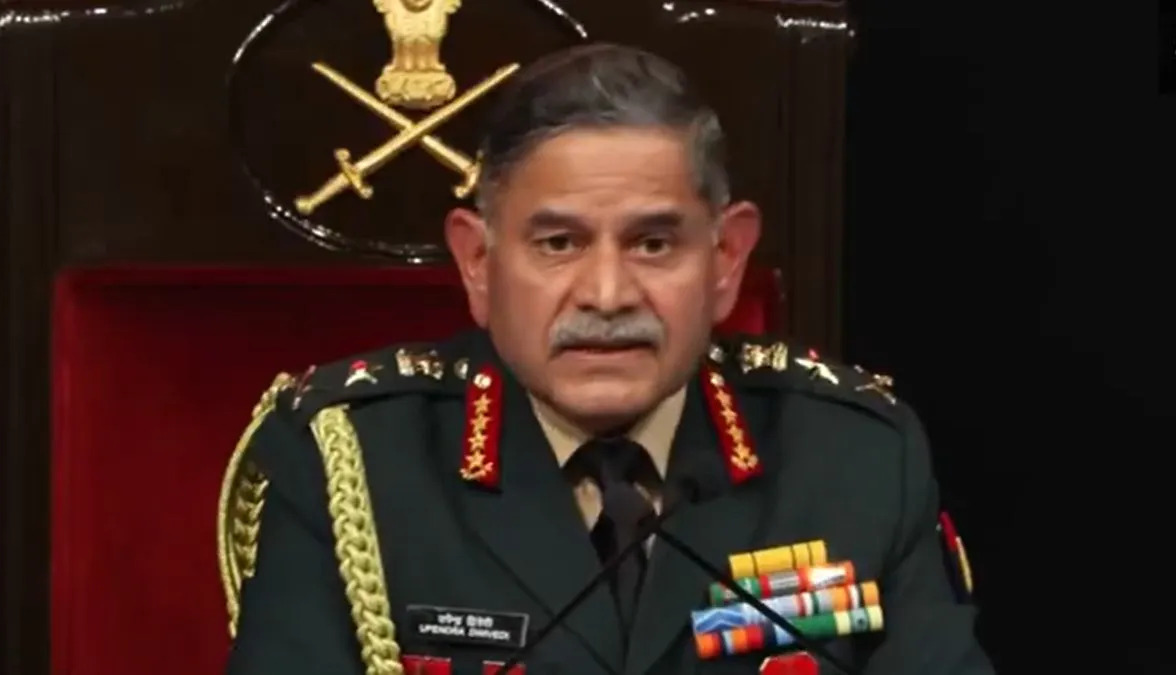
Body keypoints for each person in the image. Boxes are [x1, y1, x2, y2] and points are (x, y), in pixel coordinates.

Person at [222, 43, 994, 675]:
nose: (607, 293)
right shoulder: (349, 462)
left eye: (653, 243)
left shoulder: (857, 458)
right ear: (479, 263)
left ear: (725, 259)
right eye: (558, 243)